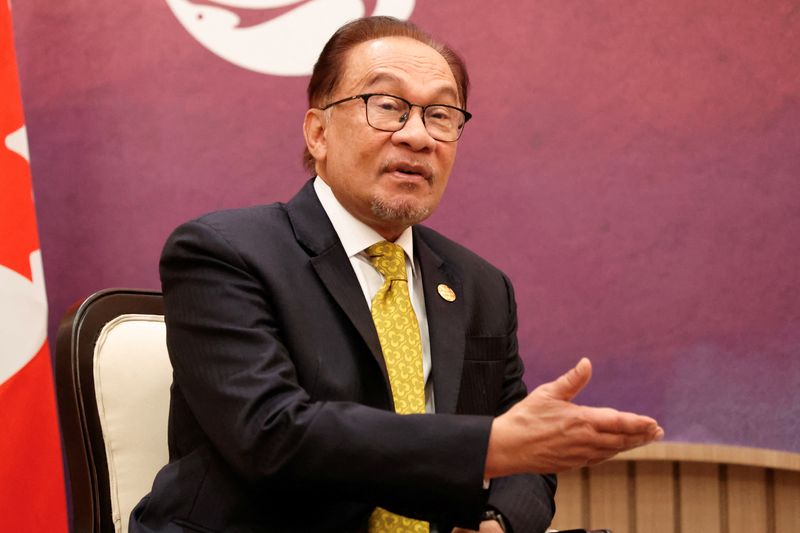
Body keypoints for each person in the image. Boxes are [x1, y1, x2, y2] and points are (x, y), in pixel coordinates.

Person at [130, 16, 663, 533]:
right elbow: (271, 436)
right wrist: (486, 447)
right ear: (318, 131)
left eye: (442, 116)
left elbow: (519, 451)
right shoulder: (225, 252)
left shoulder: (481, 287)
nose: (418, 137)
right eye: (388, 106)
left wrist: (497, 520)